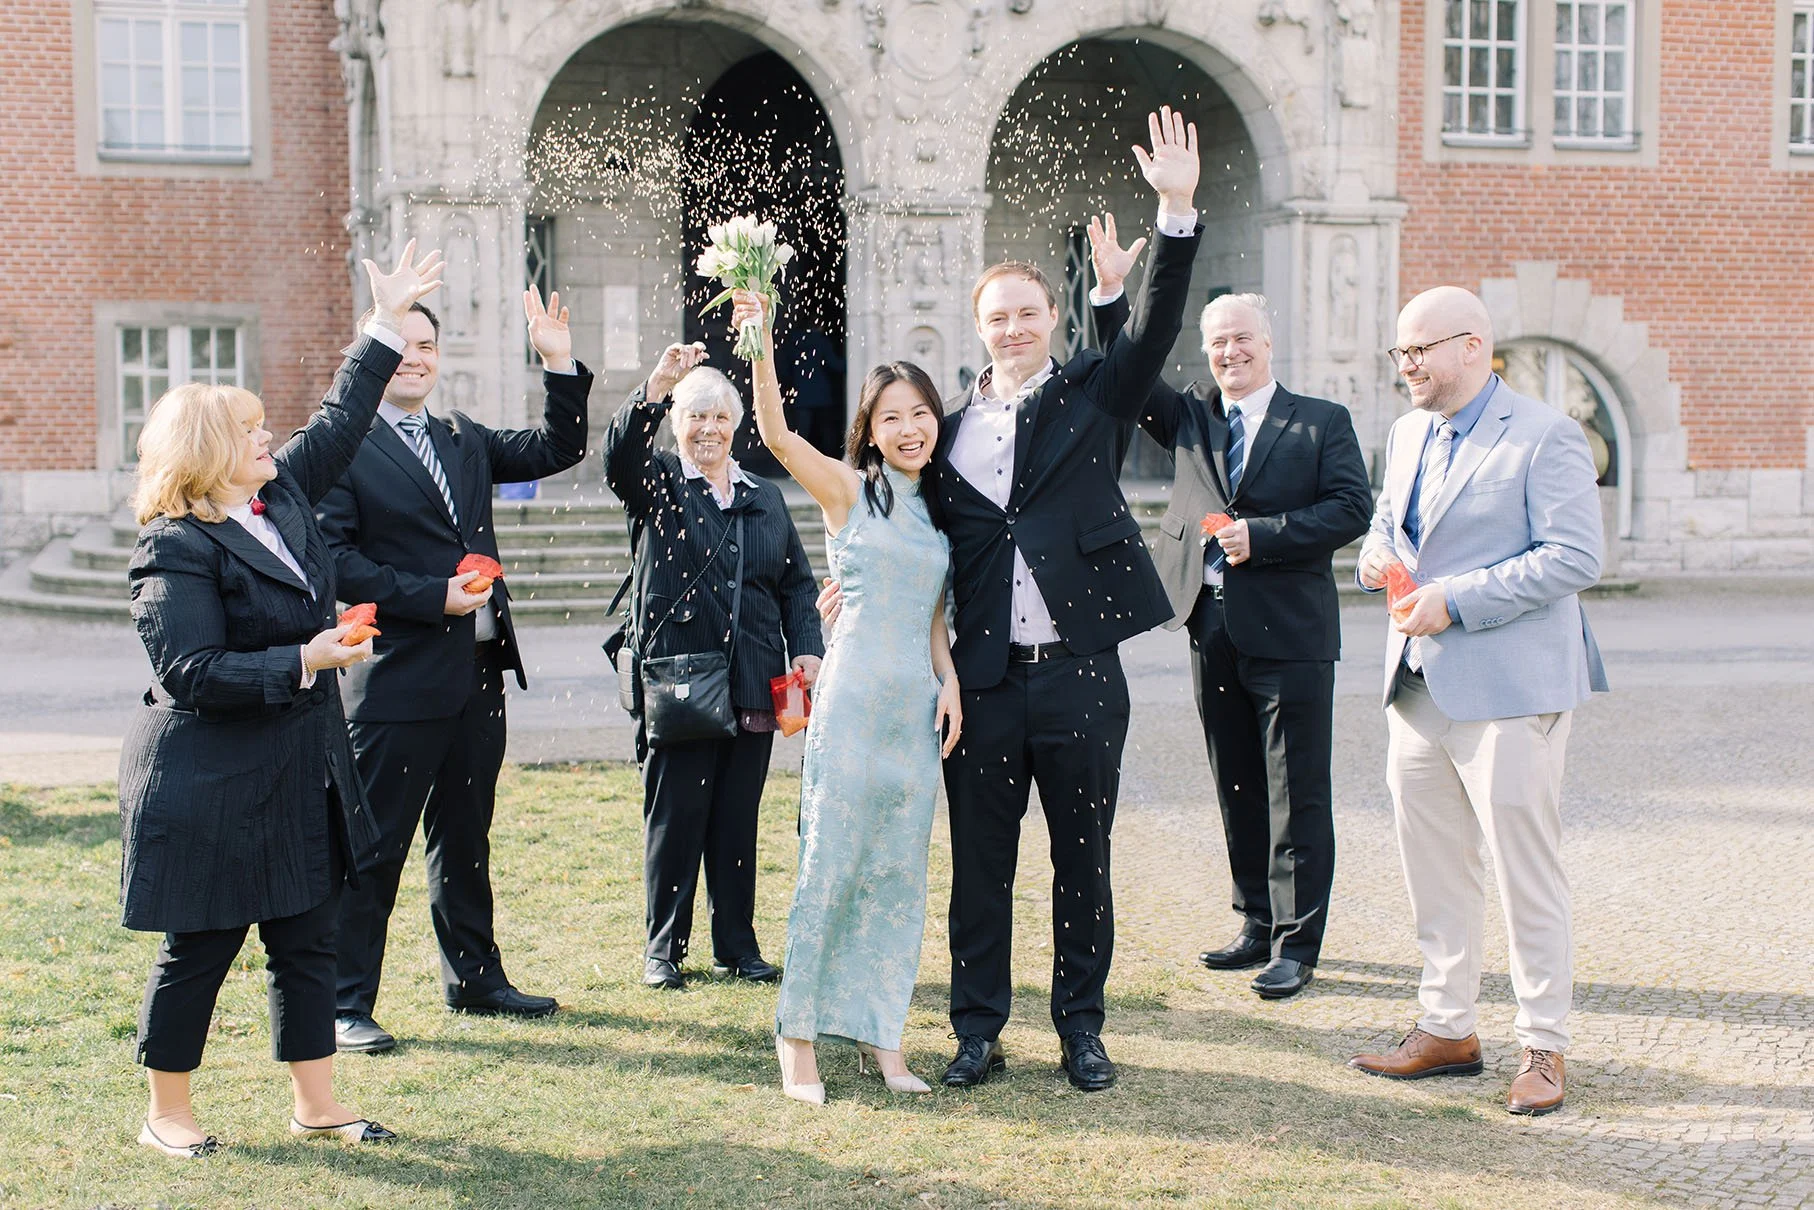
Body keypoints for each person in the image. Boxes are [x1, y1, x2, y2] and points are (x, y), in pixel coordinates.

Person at [821, 107, 1203, 1092]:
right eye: (996, 318)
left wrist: (1172, 212)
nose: (1013, 328)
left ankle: (1082, 1027)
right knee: (979, 872)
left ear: (1050, 317)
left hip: (1079, 674)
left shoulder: (1090, 395)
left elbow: (1155, 325)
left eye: (1027, 313)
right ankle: (976, 1030)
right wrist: (853, 586)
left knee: (1083, 861)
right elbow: (903, 530)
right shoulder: (939, 433)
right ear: (979, 329)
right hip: (982, 686)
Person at [117, 241, 442, 1156]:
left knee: (308, 939)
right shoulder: (174, 545)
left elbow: (341, 417)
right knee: (201, 954)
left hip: (299, 769)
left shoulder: (284, 494)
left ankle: (317, 1103)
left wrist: (383, 323)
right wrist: (304, 657)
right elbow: (191, 671)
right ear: (212, 452)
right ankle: (168, 1114)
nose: (269, 438)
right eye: (252, 430)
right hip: (211, 779)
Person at [1347, 286, 1608, 1116]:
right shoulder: (1405, 431)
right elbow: (1390, 523)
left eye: (1420, 350)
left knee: (1526, 870)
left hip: (1512, 689)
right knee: (1434, 868)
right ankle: (1447, 1027)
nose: (1408, 366)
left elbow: (1574, 557)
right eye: (1400, 353)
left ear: (1473, 347)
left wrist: (1455, 599)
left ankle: (1545, 1046)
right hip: (1416, 683)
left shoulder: (1547, 434)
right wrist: (1375, 557)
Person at [317, 286, 590, 1053]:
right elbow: (336, 562)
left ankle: (474, 977)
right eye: (400, 345)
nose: (415, 357)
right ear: (375, 357)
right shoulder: (344, 449)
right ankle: (343, 1003)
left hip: (478, 679)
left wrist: (558, 365)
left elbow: (553, 449)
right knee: (374, 850)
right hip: (396, 681)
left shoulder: (463, 438)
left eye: (428, 346)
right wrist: (427, 597)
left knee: (467, 837)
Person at [1091, 266, 1372, 1000]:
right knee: (1237, 781)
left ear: (1268, 343)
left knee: (1296, 790)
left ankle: (1296, 943)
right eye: (1217, 342)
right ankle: (1253, 920)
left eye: (1241, 338)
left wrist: (1265, 536)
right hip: (1209, 624)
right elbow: (1127, 371)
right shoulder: (1190, 417)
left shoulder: (1321, 421)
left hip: (1293, 633)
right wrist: (1112, 297)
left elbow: (1350, 509)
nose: (1229, 352)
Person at [733, 289, 959, 1104]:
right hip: (854, 700)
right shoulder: (850, 493)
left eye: (922, 413)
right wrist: (758, 342)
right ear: (870, 429)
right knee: (831, 865)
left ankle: (882, 1036)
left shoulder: (938, 512)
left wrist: (954, 680)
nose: (910, 429)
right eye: (893, 417)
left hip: (914, 710)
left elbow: (936, 616)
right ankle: (797, 1039)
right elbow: (775, 436)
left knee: (898, 876)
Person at [603, 345, 825, 992]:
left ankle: (737, 945)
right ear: (676, 424)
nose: (708, 428)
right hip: (680, 685)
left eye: (719, 417)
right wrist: (655, 387)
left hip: (756, 684)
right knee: (676, 818)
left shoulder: (766, 498)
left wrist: (806, 647)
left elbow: (796, 584)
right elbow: (618, 460)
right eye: (694, 415)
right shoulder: (660, 486)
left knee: (736, 820)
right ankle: (663, 950)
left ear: (736, 425)